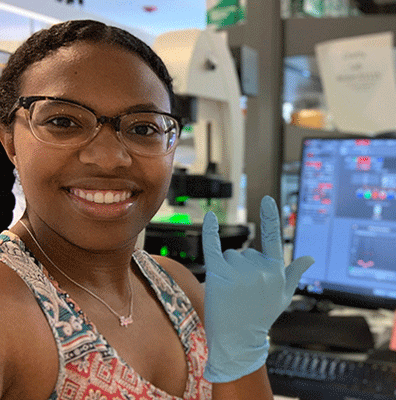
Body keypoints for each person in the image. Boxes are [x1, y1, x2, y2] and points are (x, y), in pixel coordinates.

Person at [0, 19, 314, 400]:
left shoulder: (176, 286)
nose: (109, 157)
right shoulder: (9, 313)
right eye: (63, 121)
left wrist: (243, 348)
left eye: (143, 128)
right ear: (10, 142)